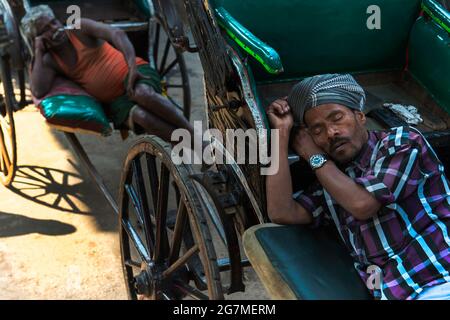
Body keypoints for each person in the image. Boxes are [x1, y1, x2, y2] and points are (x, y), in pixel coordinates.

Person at [265, 73, 450, 300]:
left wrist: (312, 155)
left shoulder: (401, 143)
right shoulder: (330, 182)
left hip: (441, 280)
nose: (331, 133)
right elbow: (281, 212)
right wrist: (281, 134)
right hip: (398, 294)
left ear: (360, 116)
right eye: (317, 130)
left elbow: (363, 204)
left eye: (337, 118)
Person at [22, 5, 193, 143]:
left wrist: (132, 67)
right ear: (38, 38)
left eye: (53, 22)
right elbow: (38, 90)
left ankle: (197, 138)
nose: (55, 29)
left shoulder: (78, 27)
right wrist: (37, 50)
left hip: (135, 73)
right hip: (115, 100)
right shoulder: (49, 60)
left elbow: (116, 33)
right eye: (46, 29)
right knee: (141, 116)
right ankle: (186, 146)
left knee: (142, 93)